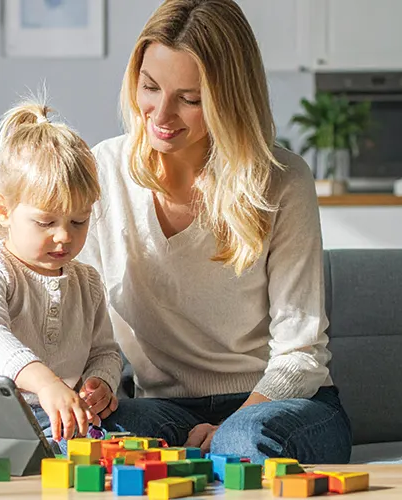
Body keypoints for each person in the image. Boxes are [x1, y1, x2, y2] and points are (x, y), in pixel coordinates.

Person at [76, 0, 352, 464]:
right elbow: (84, 324)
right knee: (92, 437)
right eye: (150, 87)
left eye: (190, 99)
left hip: (277, 405)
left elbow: (301, 352)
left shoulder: (283, 180)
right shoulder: (102, 172)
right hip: (165, 408)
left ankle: (220, 447)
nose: (161, 115)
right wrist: (93, 387)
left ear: (230, 100)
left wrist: (231, 423)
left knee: (240, 443)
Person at [0, 98, 123, 454]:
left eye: (79, 221)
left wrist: (100, 382)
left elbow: (105, 351)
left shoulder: (88, 282)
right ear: (3, 211)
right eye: (46, 222)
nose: (64, 235)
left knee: (146, 421)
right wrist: (46, 383)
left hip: (51, 418)